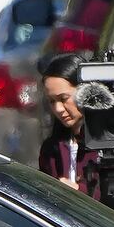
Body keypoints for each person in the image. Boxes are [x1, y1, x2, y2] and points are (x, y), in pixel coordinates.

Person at [37, 53, 95, 190]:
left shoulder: (112, 145)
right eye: (52, 101)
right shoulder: (51, 149)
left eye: (63, 99)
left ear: (85, 92)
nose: (58, 109)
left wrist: (78, 192)